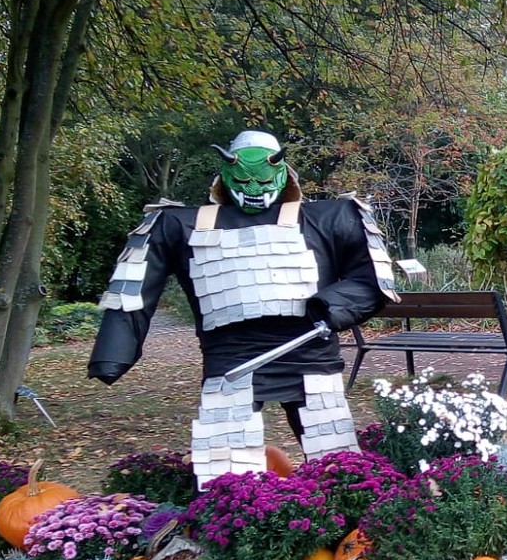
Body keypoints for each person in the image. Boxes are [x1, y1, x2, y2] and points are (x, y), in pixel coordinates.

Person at [88, 131, 398, 484]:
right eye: (244, 179)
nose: (252, 188)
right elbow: (135, 284)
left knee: (336, 461)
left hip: (309, 347)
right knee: (225, 472)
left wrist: (331, 308)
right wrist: (113, 354)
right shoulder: (179, 224)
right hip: (231, 355)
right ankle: (234, 511)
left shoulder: (329, 217)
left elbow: (373, 277)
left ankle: (346, 506)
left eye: (262, 180)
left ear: (282, 175)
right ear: (225, 175)